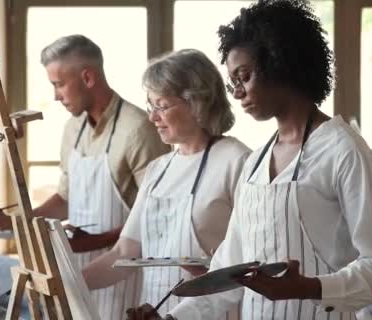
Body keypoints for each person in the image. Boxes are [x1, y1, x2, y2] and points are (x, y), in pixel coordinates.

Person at [127, 1, 372, 319]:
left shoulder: (344, 151)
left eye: (244, 76)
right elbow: (229, 270)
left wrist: (310, 287)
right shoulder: (256, 161)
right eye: (233, 82)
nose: (238, 92)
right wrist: (172, 318)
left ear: (282, 64)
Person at [0, 34, 170, 319]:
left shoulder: (138, 129)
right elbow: (65, 199)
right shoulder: (72, 128)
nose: (55, 95)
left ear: (87, 77)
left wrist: (93, 240)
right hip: (77, 273)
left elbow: (155, 218)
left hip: (124, 277)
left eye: (59, 84)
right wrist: (14, 222)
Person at [81, 48, 250, 319]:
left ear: (197, 103)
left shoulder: (236, 160)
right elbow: (125, 253)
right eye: (151, 106)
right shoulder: (158, 169)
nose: (152, 117)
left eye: (161, 105)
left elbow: (247, 262)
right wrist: (70, 282)